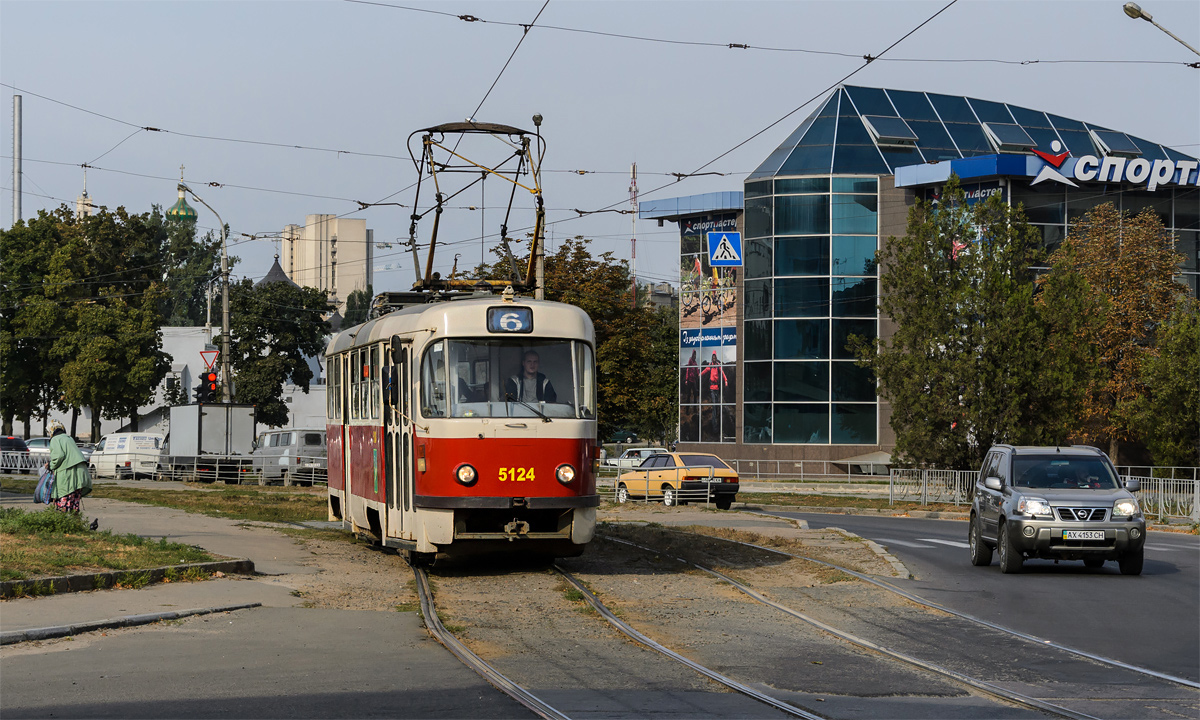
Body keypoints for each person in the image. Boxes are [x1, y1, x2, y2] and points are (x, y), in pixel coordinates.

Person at [47, 420, 91, 514]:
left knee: (63, 506)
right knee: (74, 505)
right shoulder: (69, 438)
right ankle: (75, 526)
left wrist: (50, 465)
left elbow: (59, 456)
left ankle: (63, 527)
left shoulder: (55, 439)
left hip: (67, 477)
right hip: (80, 476)